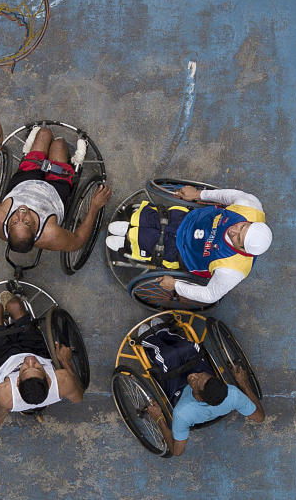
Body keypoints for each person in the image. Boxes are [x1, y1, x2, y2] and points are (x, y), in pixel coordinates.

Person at [106, 186, 272, 303]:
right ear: (250, 222)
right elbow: (229, 196)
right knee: (148, 217)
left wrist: (176, 285)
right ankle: (133, 222)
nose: (233, 231)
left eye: (238, 239)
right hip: (187, 218)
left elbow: (210, 295)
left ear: (243, 249)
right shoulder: (251, 207)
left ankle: (129, 242)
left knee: (145, 241)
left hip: (182, 252)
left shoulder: (233, 270)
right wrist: (199, 194)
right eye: (242, 226)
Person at [0, 126, 111, 253]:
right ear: (35, 229)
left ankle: (29, 151)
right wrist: (94, 206)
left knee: (44, 133)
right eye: (26, 222)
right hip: (54, 191)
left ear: (7, 226)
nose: (21, 213)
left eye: (14, 221)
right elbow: (78, 241)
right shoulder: (51, 235)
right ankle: (76, 161)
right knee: (59, 143)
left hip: (25, 183)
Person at [138, 323, 264, 456]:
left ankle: (150, 340)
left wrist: (159, 419)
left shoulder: (183, 413)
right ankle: (164, 332)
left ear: (198, 397)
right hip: (202, 386)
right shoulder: (232, 394)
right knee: (188, 348)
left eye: (195, 380)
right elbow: (260, 417)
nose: (193, 375)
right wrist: (244, 384)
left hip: (179, 391)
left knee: (169, 356)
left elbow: (177, 451)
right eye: (201, 375)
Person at [0, 292, 84, 425]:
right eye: (37, 367)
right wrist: (66, 361)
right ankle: (11, 320)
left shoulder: (6, 394)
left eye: (24, 369)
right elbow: (79, 397)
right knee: (15, 305)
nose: (29, 360)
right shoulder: (63, 381)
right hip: (36, 350)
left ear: (17, 382)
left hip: (3, 359)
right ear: (48, 378)